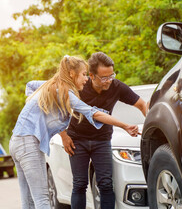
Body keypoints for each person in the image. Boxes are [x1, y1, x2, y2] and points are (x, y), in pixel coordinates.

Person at [9, 55, 140, 209]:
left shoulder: (52, 86)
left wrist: (34, 107)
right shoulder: (64, 92)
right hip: (28, 143)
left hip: (16, 141)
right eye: (84, 74)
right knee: (42, 199)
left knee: (28, 199)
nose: (86, 79)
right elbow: (94, 113)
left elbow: (30, 85)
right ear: (72, 74)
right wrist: (125, 125)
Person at [60, 52, 147, 209]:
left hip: (102, 140)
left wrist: (149, 125)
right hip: (77, 140)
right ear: (92, 75)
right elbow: (59, 112)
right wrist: (64, 136)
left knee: (106, 184)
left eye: (111, 75)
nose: (109, 81)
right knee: (80, 183)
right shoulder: (80, 85)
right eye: (104, 78)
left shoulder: (116, 86)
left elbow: (142, 104)